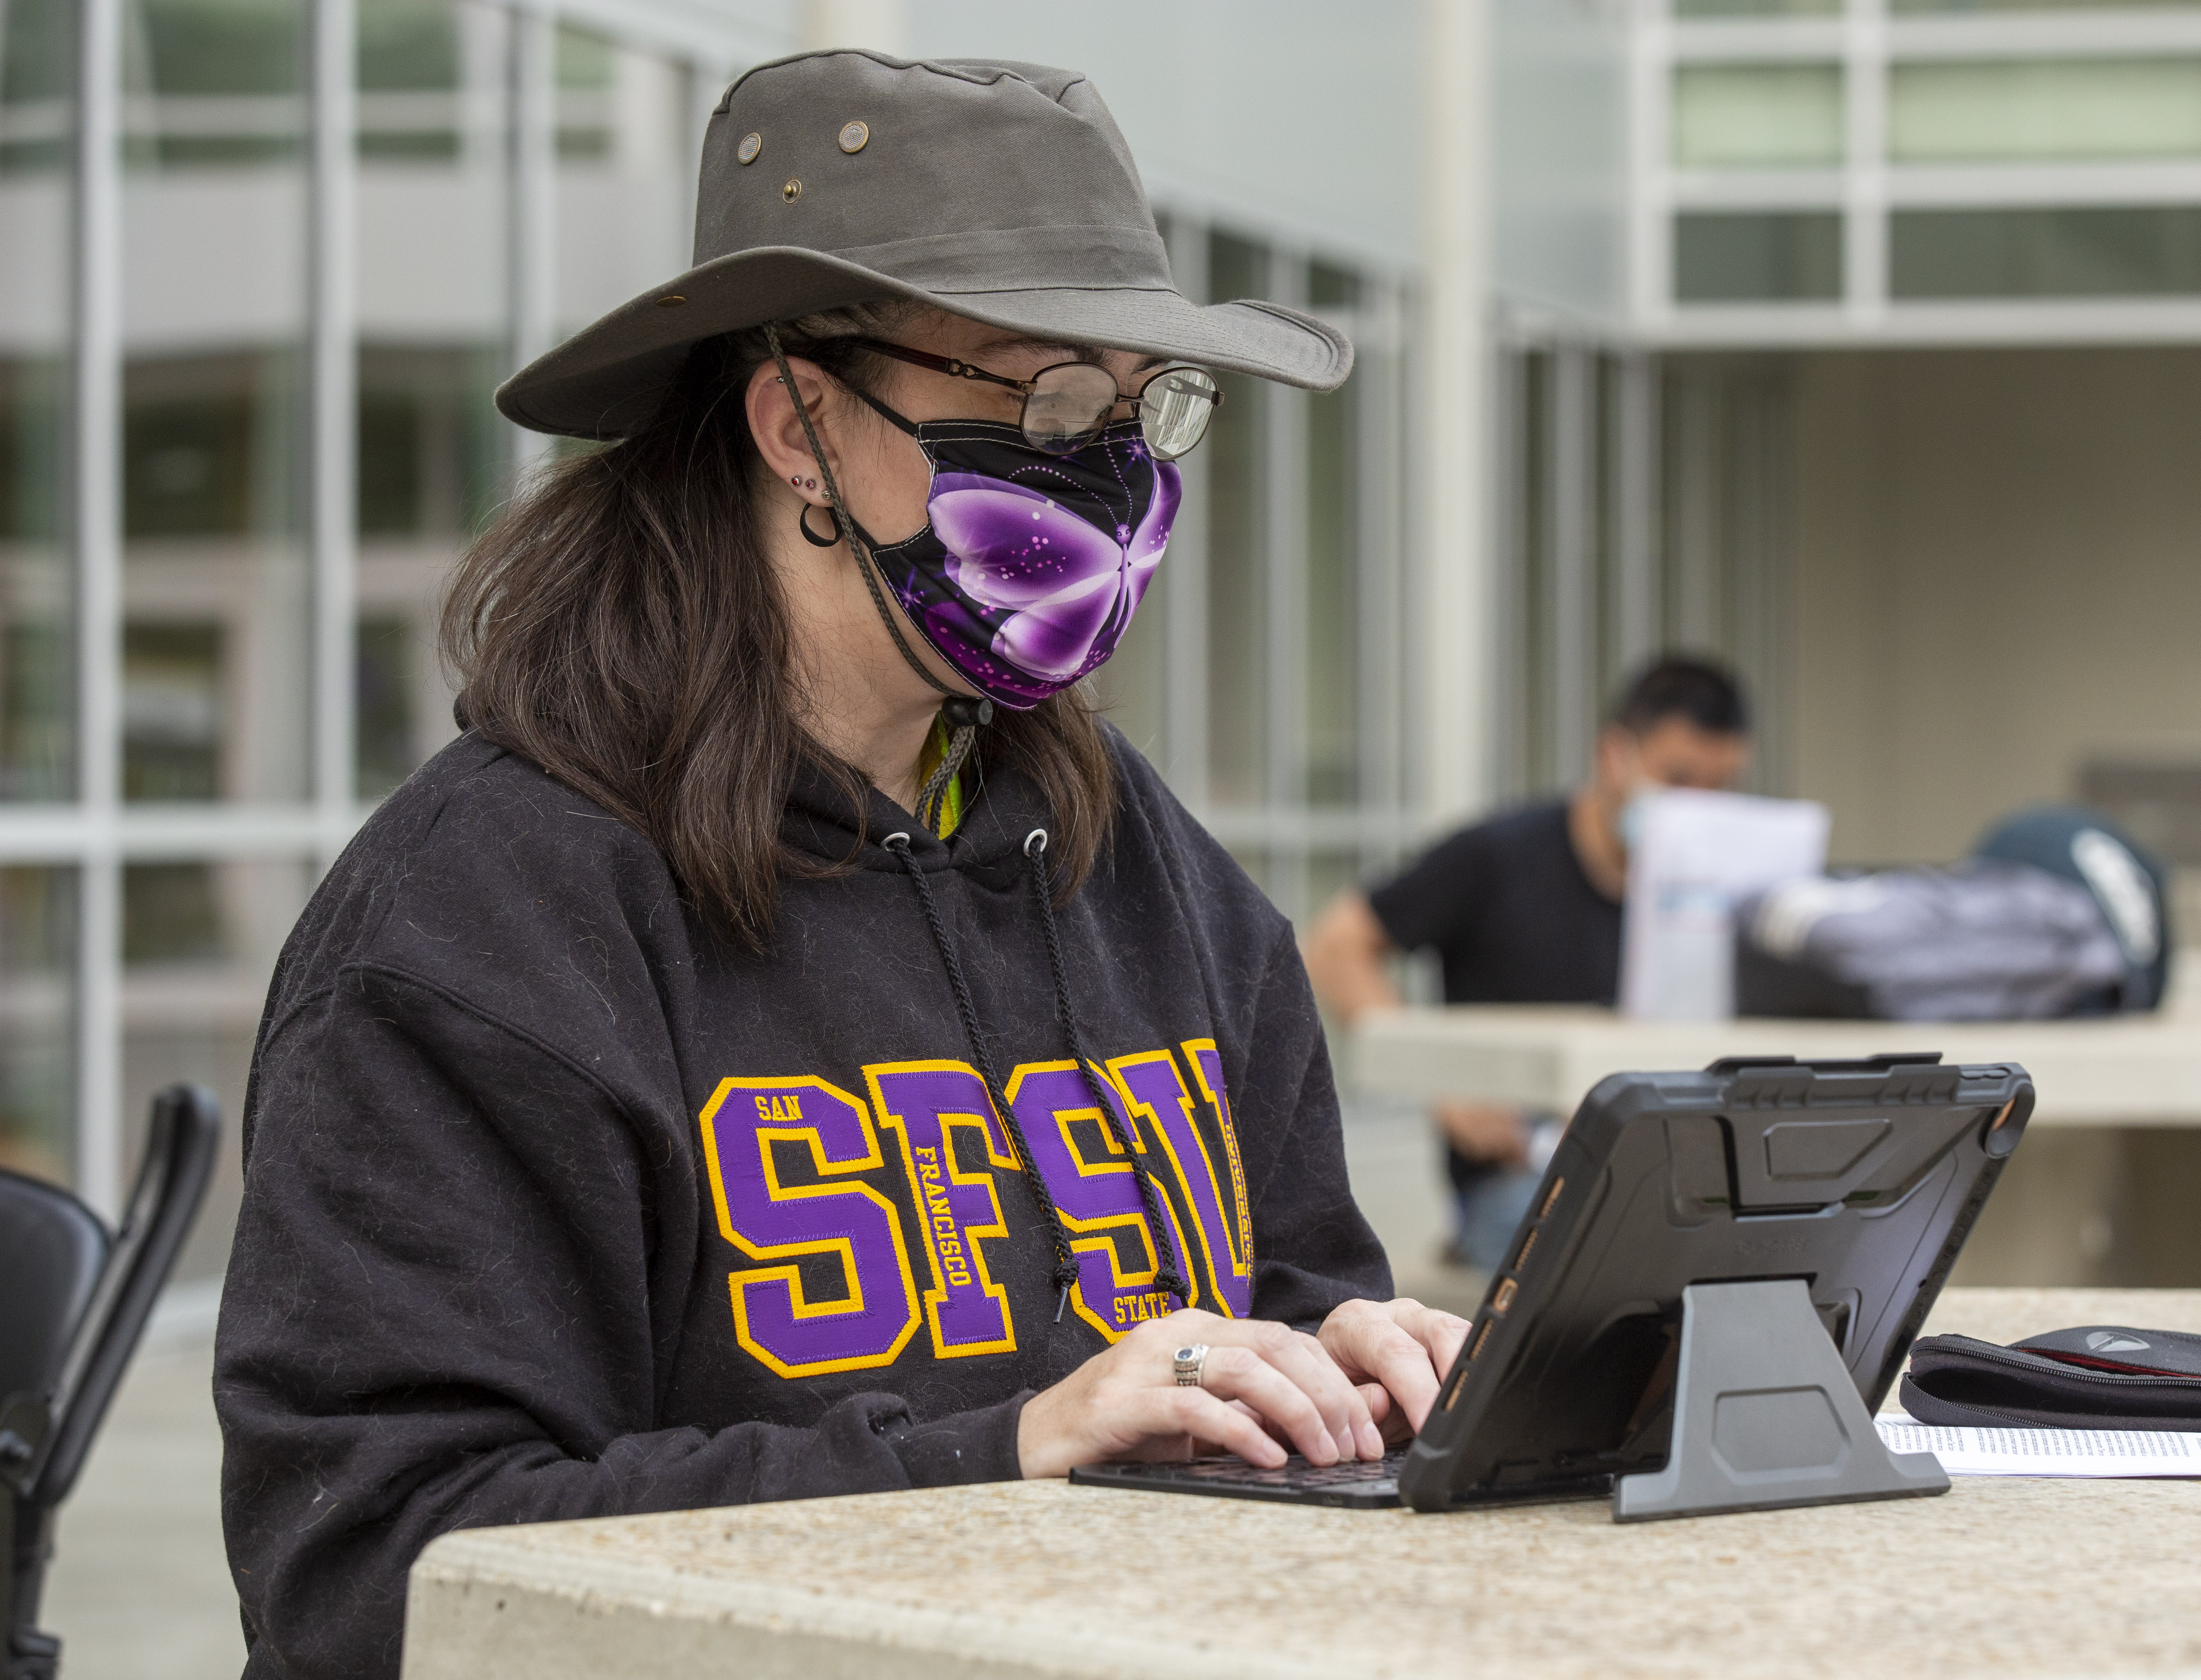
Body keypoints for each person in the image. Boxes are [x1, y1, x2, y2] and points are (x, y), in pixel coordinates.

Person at [215, 52, 1465, 1680]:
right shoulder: (479, 924)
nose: (1104, 468)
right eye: (1036, 395)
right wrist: (1000, 1448)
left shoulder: (1141, 858)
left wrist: (1351, 1367)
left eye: (1134, 403)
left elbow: (1288, 1295)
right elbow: (373, 1564)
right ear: (797, 422)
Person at [1305, 656, 1749, 1267]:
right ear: (1615, 756)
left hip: (1674, 1178)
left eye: (1719, 788)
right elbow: (1337, 943)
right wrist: (1445, 1086)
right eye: (1677, 779)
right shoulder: (1498, 857)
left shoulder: (1722, 888)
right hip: (1519, 1185)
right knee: (1631, 1252)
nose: (1696, 810)